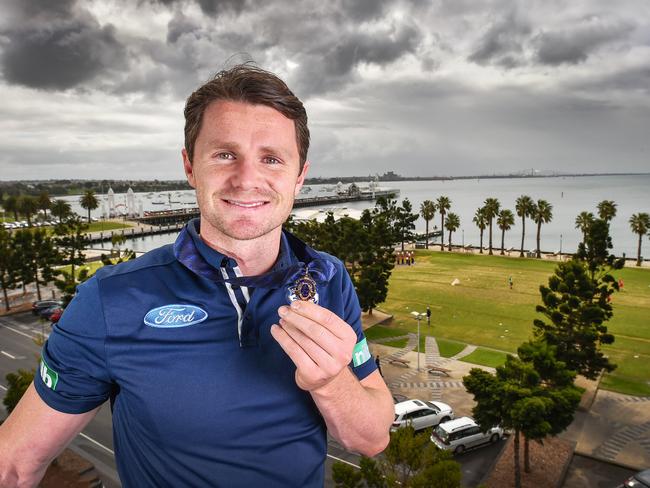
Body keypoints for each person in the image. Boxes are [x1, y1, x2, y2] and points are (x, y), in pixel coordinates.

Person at [0, 65, 393, 487]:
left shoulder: (327, 278)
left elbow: (370, 438)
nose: (247, 180)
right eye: (225, 154)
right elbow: (15, 464)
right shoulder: (110, 300)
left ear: (299, 175)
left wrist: (332, 381)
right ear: (190, 166)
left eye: (272, 159)